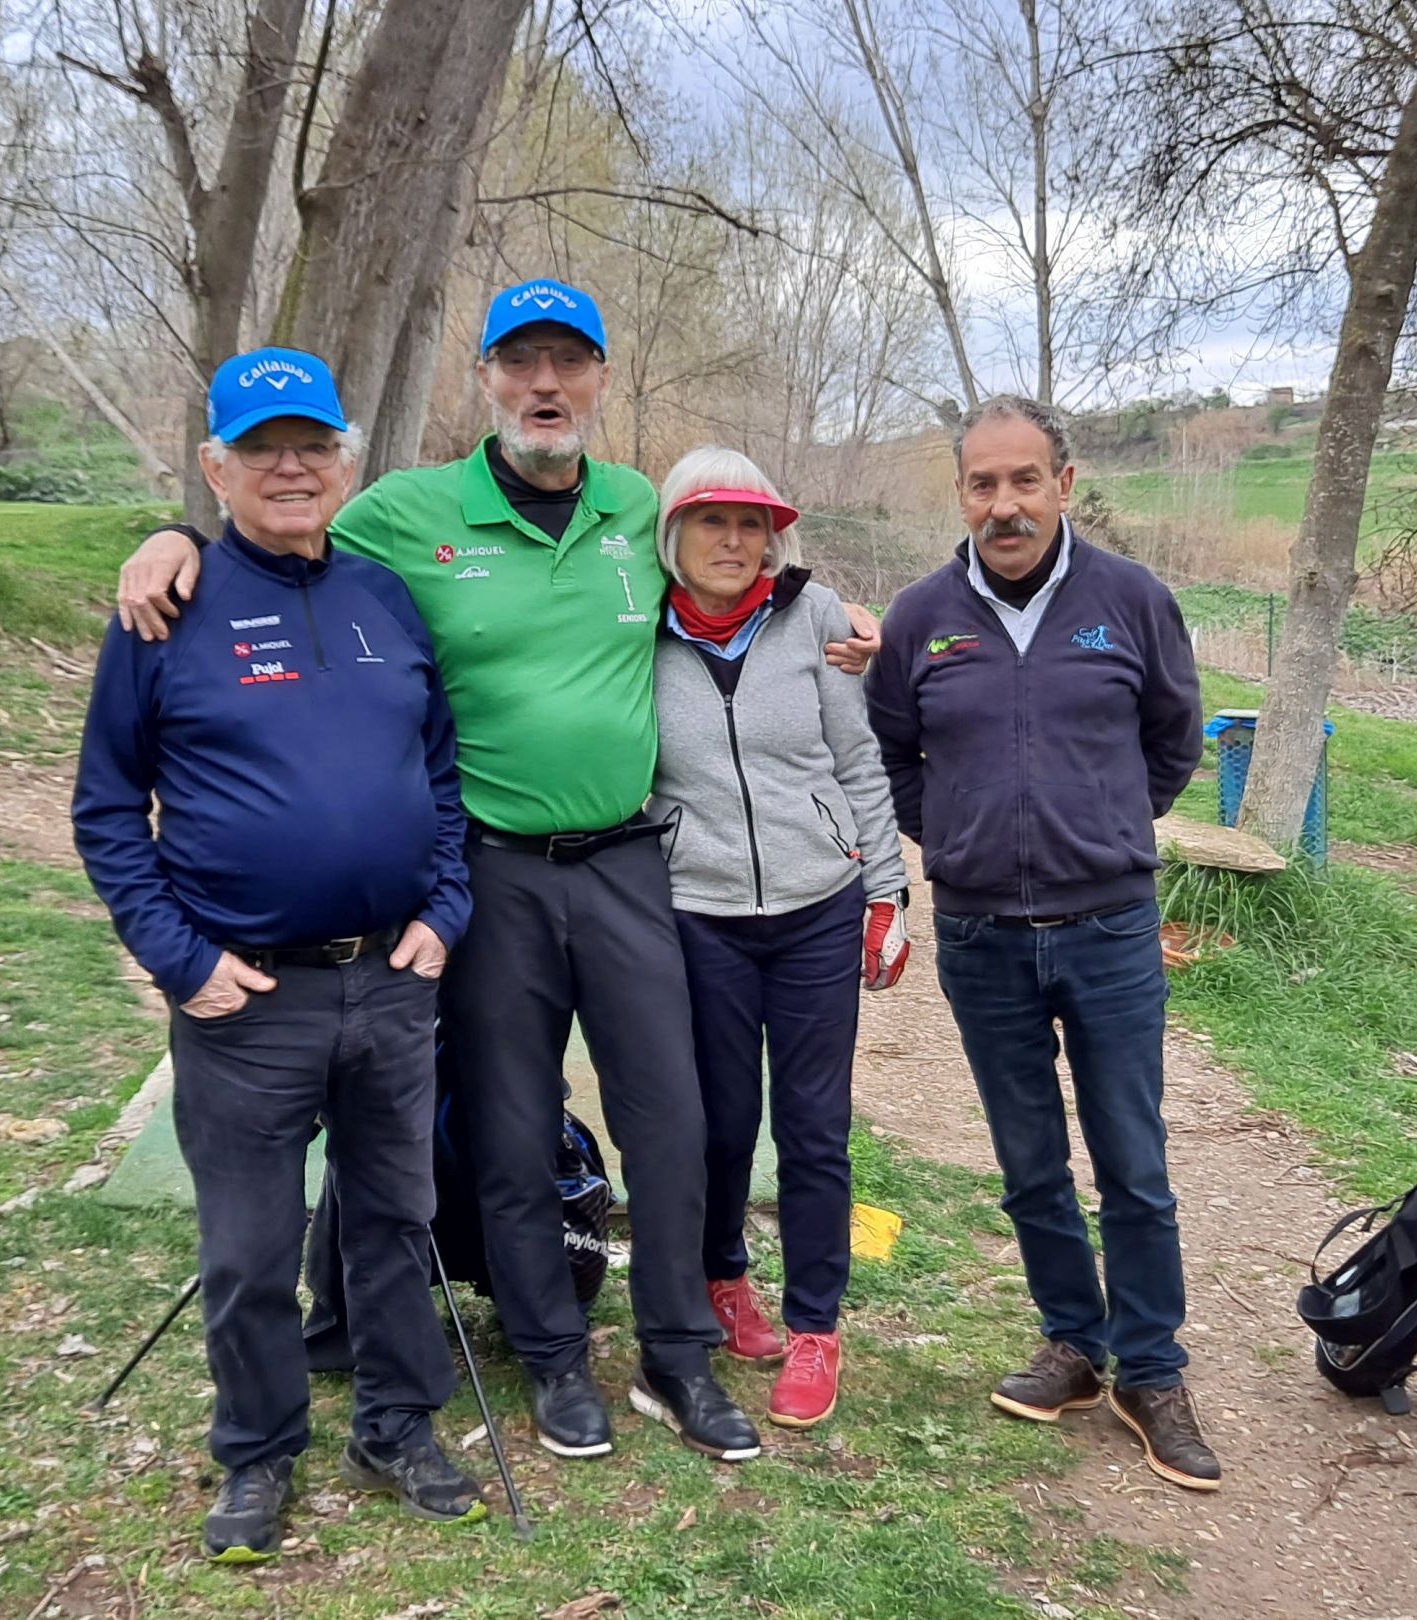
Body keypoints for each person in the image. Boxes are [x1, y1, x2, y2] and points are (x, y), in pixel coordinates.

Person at [112, 280, 878, 1464]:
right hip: (491, 870)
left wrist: (843, 613)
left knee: (671, 1121)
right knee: (511, 1130)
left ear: (601, 380)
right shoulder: (406, 512)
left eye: (569, 363)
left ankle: (675, 1357)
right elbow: (281, 539)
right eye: (521, 363)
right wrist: (174, 541)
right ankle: (555, 1359)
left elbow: (747, 573)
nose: (545, 385)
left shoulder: (637, 508)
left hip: (628, 865)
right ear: (486, 380)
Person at [71, 348, 483, 1561]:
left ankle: (396, 1427)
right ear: (217, 468)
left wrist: (446, 907)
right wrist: (179, 959)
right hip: (246, 997)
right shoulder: (166, 612)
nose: (291, 467)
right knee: (249, 1252)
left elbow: (441, 775)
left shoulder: (384, 597)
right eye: (262, 449)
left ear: (344, 460)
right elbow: (107, 808)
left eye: (312, 444)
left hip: (392, 979)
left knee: (394, 1224)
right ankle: (257, 1451)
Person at [862, 394, 1221, 1492]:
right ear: (961, 494)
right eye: (984, 484)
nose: (1005, 504)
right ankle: (1074, 1342)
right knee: (1029, 1165)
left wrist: (1101, 828)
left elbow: (1173, 738)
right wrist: (958, 834)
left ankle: (1151, 1370)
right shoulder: (922, 618)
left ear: (1064, 485)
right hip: (980, 937)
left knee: (1133, 1163)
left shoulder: (1132, 601)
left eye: (1025, 480)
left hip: (1109, 930)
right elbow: (891, 751)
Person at [646, 446, 911, 1432]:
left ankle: (815, 1327)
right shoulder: (636, 627)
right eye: (712, 522)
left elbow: (859, 761)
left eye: (752, 524)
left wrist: (887, 891)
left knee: (813, 1125)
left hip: (817, 908)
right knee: (719, 1123)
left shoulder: (817, 617)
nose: (734, 541)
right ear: (673, 533)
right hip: (698, 913)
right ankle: (723, 1280)